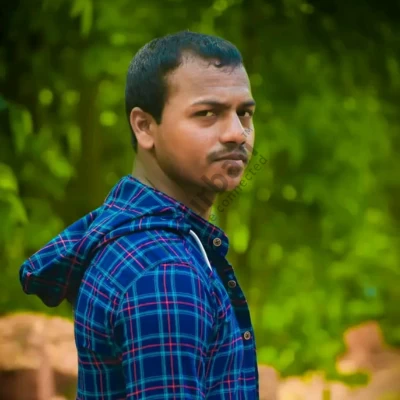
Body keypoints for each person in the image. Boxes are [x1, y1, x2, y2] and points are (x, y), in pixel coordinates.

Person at [20, 30, 259, 399]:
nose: (237, 134)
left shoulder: (139, 241)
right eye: (207, 113)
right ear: (144, 126)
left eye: (244, 113)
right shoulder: (165, 272)